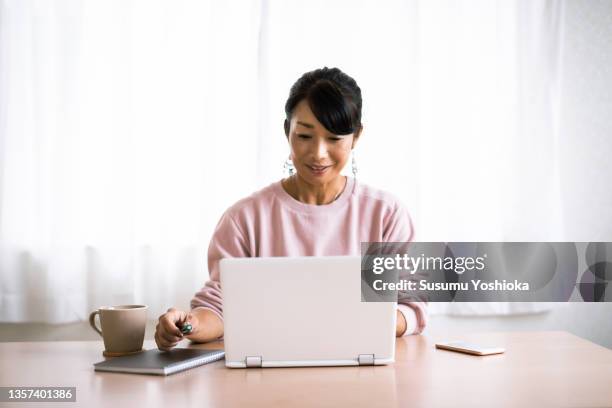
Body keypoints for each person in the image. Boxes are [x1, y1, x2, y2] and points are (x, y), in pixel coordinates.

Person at [155, 67, 427, 351]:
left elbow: (413, 306)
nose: (318, 153)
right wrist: (189, 325)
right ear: (288, 132)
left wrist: (358, 322)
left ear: (356, 137)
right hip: (268, 372)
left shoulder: (386, 214)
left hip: (362, 366)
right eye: (305, 136)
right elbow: (221, 305)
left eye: (334, 139)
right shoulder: (243, 219)